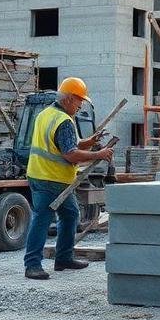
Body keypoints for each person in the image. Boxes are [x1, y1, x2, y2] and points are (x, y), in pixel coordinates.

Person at [22, 77, 114, 280]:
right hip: (51, 179)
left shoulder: (47, 114)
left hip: (42, 175)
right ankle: (32, 265)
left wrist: (89, 142)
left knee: (70, 214)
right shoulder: (63, 120)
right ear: (70, 99)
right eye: (80, 100)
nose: (81, 105)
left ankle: (63, 258)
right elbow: (70, 153)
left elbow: (65, 144)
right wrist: (98, 154)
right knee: (42, 219)